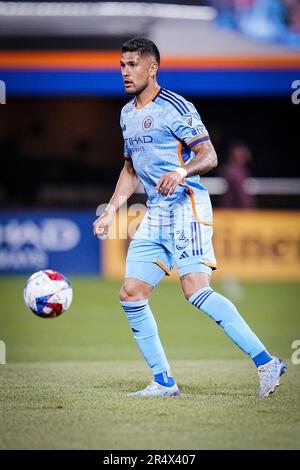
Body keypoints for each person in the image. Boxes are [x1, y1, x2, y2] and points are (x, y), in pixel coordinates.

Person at [93, 37, 286, 398]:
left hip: (186, 207)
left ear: (152, 68)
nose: (125, 72)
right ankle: (164, 381)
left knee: (195, 290)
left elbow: (209, 155)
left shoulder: (176, 106)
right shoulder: (126, 114)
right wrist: (110, 211)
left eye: (132, 64)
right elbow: (130, 170)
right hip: (154, 214)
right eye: (122, 64)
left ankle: (266, 362)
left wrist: (180, 172)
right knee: (131, 293)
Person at [219, 141, 255, 209]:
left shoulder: (241, 170)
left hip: (232, 211)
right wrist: (248, 210)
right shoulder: (233, 172)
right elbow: (241, 196)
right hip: (235, 211)